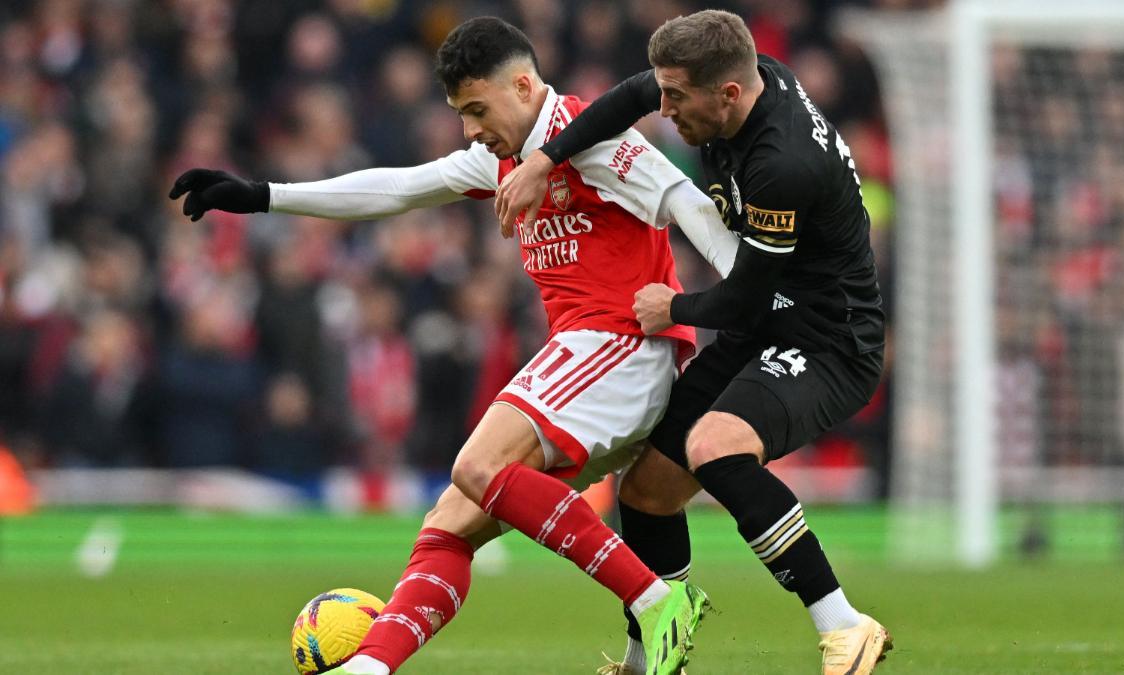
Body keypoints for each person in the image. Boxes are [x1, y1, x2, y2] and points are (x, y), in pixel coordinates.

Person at [169, 16, 738, 675]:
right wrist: (265, 195)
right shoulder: (497, 157)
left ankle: (655, 597)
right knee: (452, 518)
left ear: (523, 86)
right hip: (587, 362)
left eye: (476, 108)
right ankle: (370, 665)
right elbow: (397, 187)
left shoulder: (594, 138)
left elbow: (687, 201)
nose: (470, 128)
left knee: (477, 465)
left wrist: (754, 298)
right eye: (460, 113)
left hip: (626, 345)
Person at [496, 10, 892, 675]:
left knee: (714, 446)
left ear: (727, 94)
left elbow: (746, 294)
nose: (665, 109)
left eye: (676, 98)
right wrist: (544, 159)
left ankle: (845, 624)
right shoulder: (728, 80)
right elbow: (626, 99)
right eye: (666, 92)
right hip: (766, 322)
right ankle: (652, 657)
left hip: (828, 339)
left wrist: (672, 306)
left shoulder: (782, 163)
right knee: (647, 487)